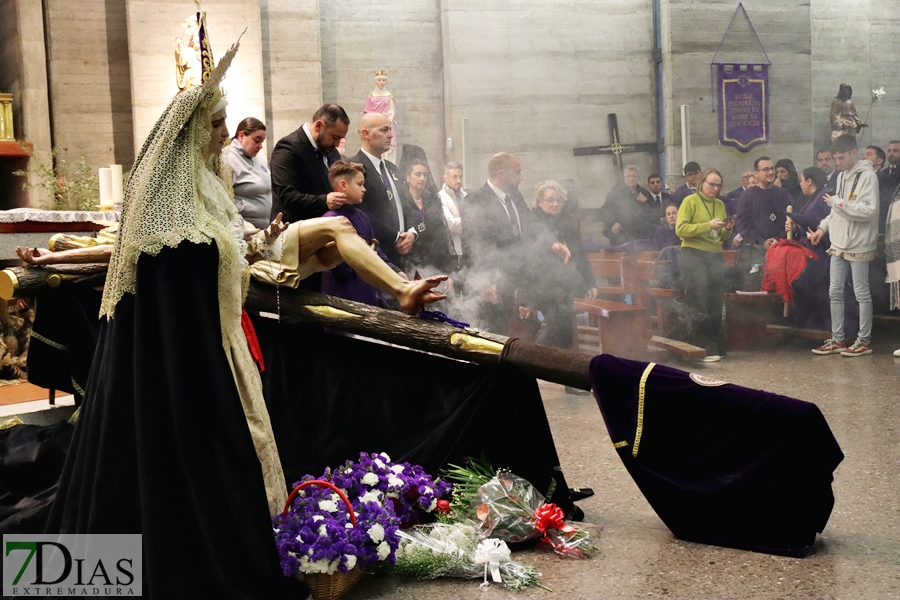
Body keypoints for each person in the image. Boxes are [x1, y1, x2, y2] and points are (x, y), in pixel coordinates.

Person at [41, 42, 447, 596]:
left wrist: (267, 237)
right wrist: (52, 258)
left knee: (336, 234)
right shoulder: (166, 207)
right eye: (215, 124)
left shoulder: (211, 184)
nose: (222, 134)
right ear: (187, 133)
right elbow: (126, 255)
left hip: (230, 322)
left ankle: (399, 290)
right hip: (192, 351)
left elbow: (236, 243)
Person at [461, 152, 568, 334]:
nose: (522, 177)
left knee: (516, 335)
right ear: (502, 173)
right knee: (492, 334)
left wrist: (552, 243)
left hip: (517, 279)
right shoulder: (475, 200)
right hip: (492, 280)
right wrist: (486, 281)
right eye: (518, 172)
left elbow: (531, 222)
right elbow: (476, 244)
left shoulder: (515, 196)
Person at [810, 134, 879, 357]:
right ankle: (838, 338)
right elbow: (836, 211)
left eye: (841, 158)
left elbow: (868, 211)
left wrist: (836, 202)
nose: (837, 163)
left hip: (859, 241)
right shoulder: (841, 176)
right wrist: (822, 228)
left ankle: (864, 340)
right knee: (835, 291)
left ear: (853, 153)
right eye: (835, 158)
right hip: (839, 240)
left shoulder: (868, 176)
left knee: (861, 292)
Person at [523, 180, 597, 355]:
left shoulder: (569, 222)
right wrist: (554, 245)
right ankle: (537, 356)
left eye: (558, 200)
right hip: (541, 285)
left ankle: (565, 373)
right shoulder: (533, 220)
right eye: (549, 200)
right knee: (557, 331)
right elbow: (535, 244)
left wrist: (590, 282)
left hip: (565, 285)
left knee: (564, 332)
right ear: (539, 202)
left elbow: (579, 254)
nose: (555, 204)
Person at [321, 161, 401, 307]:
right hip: (343, 294)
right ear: (343, 185)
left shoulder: (362, 217)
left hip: (367, 293)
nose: (364, 189)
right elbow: (332, 263)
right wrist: (362, 257)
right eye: (360, 184)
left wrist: (396, 272)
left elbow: (376, 250)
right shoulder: (329, 220)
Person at [675, 167, 733, 362]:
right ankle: (700, 349)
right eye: (711, 184)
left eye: (718, 185)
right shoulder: (689, 201)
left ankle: (717, 347)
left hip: (714, 254)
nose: (715, 189)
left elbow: (723, 237)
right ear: (702, 183)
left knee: (716, 301)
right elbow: (681, 229)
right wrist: (708, 226)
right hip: (693, 254)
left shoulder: (720, 204)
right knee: (699, 300)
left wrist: (727, 229)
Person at [347, 112, 415, 268]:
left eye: (390, 130)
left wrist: (411, 232)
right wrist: (395, 237)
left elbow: (408, 205)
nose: (391, 135)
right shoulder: (353, 167)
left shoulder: (392, 168)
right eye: (384, 130)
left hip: (404, 254)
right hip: (375, 252)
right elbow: (359, 211)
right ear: (366, 134)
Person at [269, 104, 349, 222]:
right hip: (294, 229)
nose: (337, 144)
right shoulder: (288, 148)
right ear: (318, 126)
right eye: (335, 137)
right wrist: (325, 200)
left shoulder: (332, 151)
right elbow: (287, 195)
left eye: (340, 139)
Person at [399, 158, 455, 277]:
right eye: (418, 174)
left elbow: (442, 236)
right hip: (408, 265)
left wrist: (446, 272)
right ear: (408, 177)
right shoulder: (400, 201)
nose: (422, 178)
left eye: (425, 175)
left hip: (434, 263)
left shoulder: (433, 200)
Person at [223, 117, 271, 229]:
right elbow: (222, 199)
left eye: (262, 141)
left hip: (264, 228)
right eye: (257, 140)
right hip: (243, 229)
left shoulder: (258, 159)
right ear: (241, 136)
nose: (260, 146)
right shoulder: (227, 158)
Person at [734, 156, 792, 250]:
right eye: (766, 169)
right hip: (754, 249)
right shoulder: (747, 195)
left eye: (772, 169)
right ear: (756, 173)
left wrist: (778, 238)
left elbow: (791, 221)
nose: (770, 172)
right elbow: (742, 225)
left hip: (780, 247)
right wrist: (761, 241)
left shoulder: (784, 194)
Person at [598, 165, 658, 245]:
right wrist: (613, 222)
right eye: (628, 176)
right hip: (620, 235)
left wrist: (645, 202)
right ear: (624, 178)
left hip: (639, 235)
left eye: (634, 176)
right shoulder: (615, 192)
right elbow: (604, 211)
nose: (631, 179)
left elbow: (654, 213)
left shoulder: (644, 193)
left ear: (639, 178)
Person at [363, 70, 397, 162]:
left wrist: (388, 119)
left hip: (386, 125)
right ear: (375, 81)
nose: (382, 82)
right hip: (375, 126)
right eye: (379, 80)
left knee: (387, 146)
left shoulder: (388, 95)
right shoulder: (371, 95)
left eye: (383, 80)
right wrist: (376, 118)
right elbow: (367, 111)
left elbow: (392, 110)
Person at [438, 161, 465, 268]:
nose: (459, 180)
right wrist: (472, 223)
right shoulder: (441, 197)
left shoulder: (465, 195)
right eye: (455, 177)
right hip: (453, 252)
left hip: (468, 250)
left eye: (461, 177)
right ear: (446, 178)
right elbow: (451, 224)